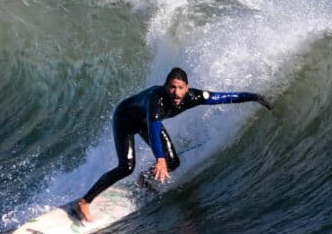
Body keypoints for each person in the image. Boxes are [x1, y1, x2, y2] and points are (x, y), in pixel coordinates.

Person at [75, 67, 272, 223]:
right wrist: (159, 159)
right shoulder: (157, 100)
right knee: (126, 167)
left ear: (187, 87)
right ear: (165, 86)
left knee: (173, 161)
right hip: (125, 119)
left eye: (180, 87)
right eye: (171, 87)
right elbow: (153, 128)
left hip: (145, 121)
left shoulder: (194, 97)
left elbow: (225, 97)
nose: (176, 92)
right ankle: (84, 201)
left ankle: (144, 179)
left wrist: (254, 97)